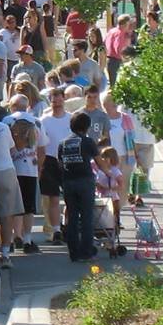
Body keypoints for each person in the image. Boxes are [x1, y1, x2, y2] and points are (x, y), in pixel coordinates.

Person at [58, 112, 110, 262]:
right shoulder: (88, 142)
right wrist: (109, 174)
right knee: (87, 217)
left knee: (72, 217)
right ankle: (86, 251)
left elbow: (60, 164)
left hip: (68, 181)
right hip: (85, 181)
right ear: (87, 127)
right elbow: (99, 162)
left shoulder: (63, 143)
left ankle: (73, 252)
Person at [0, 114, 23, 268]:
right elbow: (13, 150)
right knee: (7, 214)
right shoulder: (3, 127)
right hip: (6, 170)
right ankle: (6, 254)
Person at [40, 86, 72, 243]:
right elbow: (39, 144)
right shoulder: (44, 121)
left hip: (69, 160)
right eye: (54, 100)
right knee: (52, 198)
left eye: (59, 99)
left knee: (70, 198)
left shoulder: (71, 119)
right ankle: (56, 230)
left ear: (64, 100)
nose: (57, 103)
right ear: (50, 101)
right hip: (50, 160)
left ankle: (68, 227)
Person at [9, 117, 44, 254]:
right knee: (24, 208)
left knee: (23, 207)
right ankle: (22, 237)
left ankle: (22, 237)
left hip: (23, 173)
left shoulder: (26, 139)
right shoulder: (21, 139)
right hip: (23, 173)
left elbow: (40, 151)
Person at [94, 146, 125, 229]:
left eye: (105, 158)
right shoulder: (101, 170)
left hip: (112, 198)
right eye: (102, 157)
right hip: (101, 197)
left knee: (112, 217)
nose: (103, 160)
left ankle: (114, 228)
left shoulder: (115, 171)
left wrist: (109, 188)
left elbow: (121, 186)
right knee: (102, 219)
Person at [104, 14, 133, 87]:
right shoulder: (120, 33)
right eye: (129, 24)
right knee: (117, 86)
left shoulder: (111, 31)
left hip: (109, 60)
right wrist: (126, 60)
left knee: (112, 85)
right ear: (125, 24)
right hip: (116, 61)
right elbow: (118, 49)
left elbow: (104, 42)